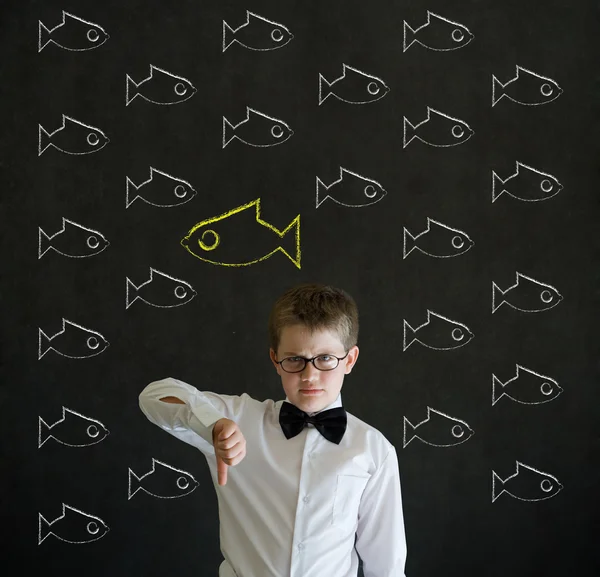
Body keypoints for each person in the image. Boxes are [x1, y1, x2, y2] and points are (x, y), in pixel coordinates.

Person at [138, 283, 407, 577]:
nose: (309, 376)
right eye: (294, 359)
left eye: (326, 359)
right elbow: (154, 397)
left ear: (350, 360)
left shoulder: (373, 449)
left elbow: (386, 566)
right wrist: (212, 424)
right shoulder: (239, 418)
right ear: (275, 361)